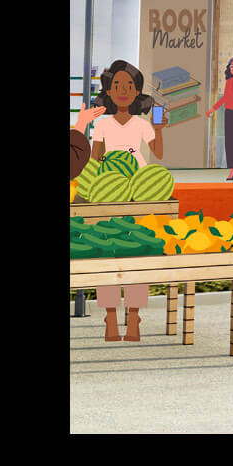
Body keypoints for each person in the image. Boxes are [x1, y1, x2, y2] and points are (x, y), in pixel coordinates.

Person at [75, 60, 163, 342]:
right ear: (108, 92)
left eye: (129, 85)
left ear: (137, 91)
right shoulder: (101, 124)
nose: (123, 90)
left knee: (138, 256)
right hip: (109, 192)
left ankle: (134, 316)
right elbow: (95, 159)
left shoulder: (141, 124)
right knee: (107, 257)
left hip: (138, 191)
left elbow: (158, 154)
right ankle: (110, 316)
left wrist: (159, 126)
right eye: (117, 85)